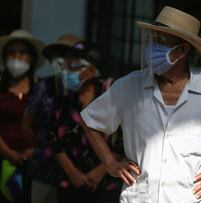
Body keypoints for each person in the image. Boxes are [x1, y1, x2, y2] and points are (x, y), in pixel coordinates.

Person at [80, 6, 201, 203]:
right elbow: (90, 121)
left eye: (161, 41)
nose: (152, 47)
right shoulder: (129, 86)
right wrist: (110, 163)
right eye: (152, 39)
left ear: (182, 50)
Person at [45, 38, 123, 203]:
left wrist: (100, 171)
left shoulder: (110, 92)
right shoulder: (62, 95)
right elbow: (53, 138)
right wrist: (72, 172)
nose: (66, 72)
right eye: (66, 65)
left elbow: (122, 139)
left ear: (91, 70)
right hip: (70, 181)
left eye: (73, 67)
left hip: (107, 181)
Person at [21, 34, 84, 203]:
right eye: (58, 56)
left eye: (68, 56)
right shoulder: (43, 87)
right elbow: (26, 126)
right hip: (44, 169)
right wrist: (41, 146)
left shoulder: (85, 89)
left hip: (76, 173)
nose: (62, 61)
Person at [0, 29, 45, 203]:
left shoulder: (41, 88)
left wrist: (33, 150)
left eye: (22, 52)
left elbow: (47, 125)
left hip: (34, 162)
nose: (17, 57)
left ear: (31, 57)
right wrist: (8, 152)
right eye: (12, 52)